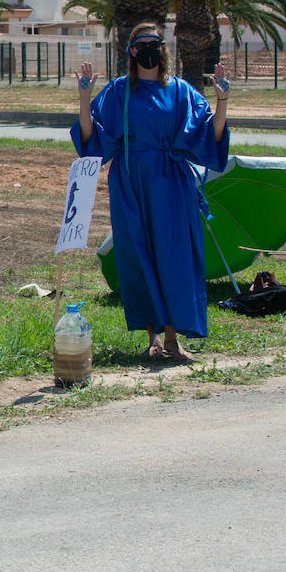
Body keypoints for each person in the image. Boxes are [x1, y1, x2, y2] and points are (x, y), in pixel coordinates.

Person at [73, 22, 229, 362]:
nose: (148, 49)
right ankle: (152, 338)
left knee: (174, 256)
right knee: (138, 254)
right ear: (131, 51)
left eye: (154, 43)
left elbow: (209, 136)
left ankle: (173, 340)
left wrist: (223, 100)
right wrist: (84, 97)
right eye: (141, 44)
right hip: (130, 182)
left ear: (163, 49)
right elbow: (91, 141)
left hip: (172, 183)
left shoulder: (182, 91)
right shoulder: (118, 92)